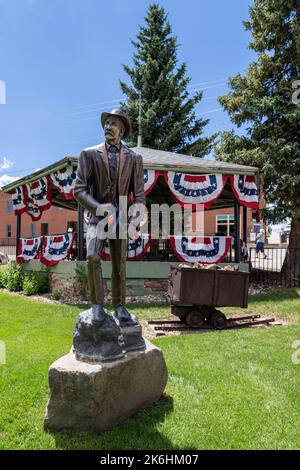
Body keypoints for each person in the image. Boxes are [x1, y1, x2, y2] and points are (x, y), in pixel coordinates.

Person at [73, 109, 146, 360]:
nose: (108, 126)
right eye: (106, 123)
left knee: (119, 264)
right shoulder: (89, 155)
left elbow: (140, 192)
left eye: (113, 123)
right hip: (98, 216)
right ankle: (97, 305)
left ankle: (120, 305)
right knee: (93, 256)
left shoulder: (134, 158)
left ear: (122, 130)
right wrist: (98, 207)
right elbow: (79, 190)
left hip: (123, 218)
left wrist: (137, 217)